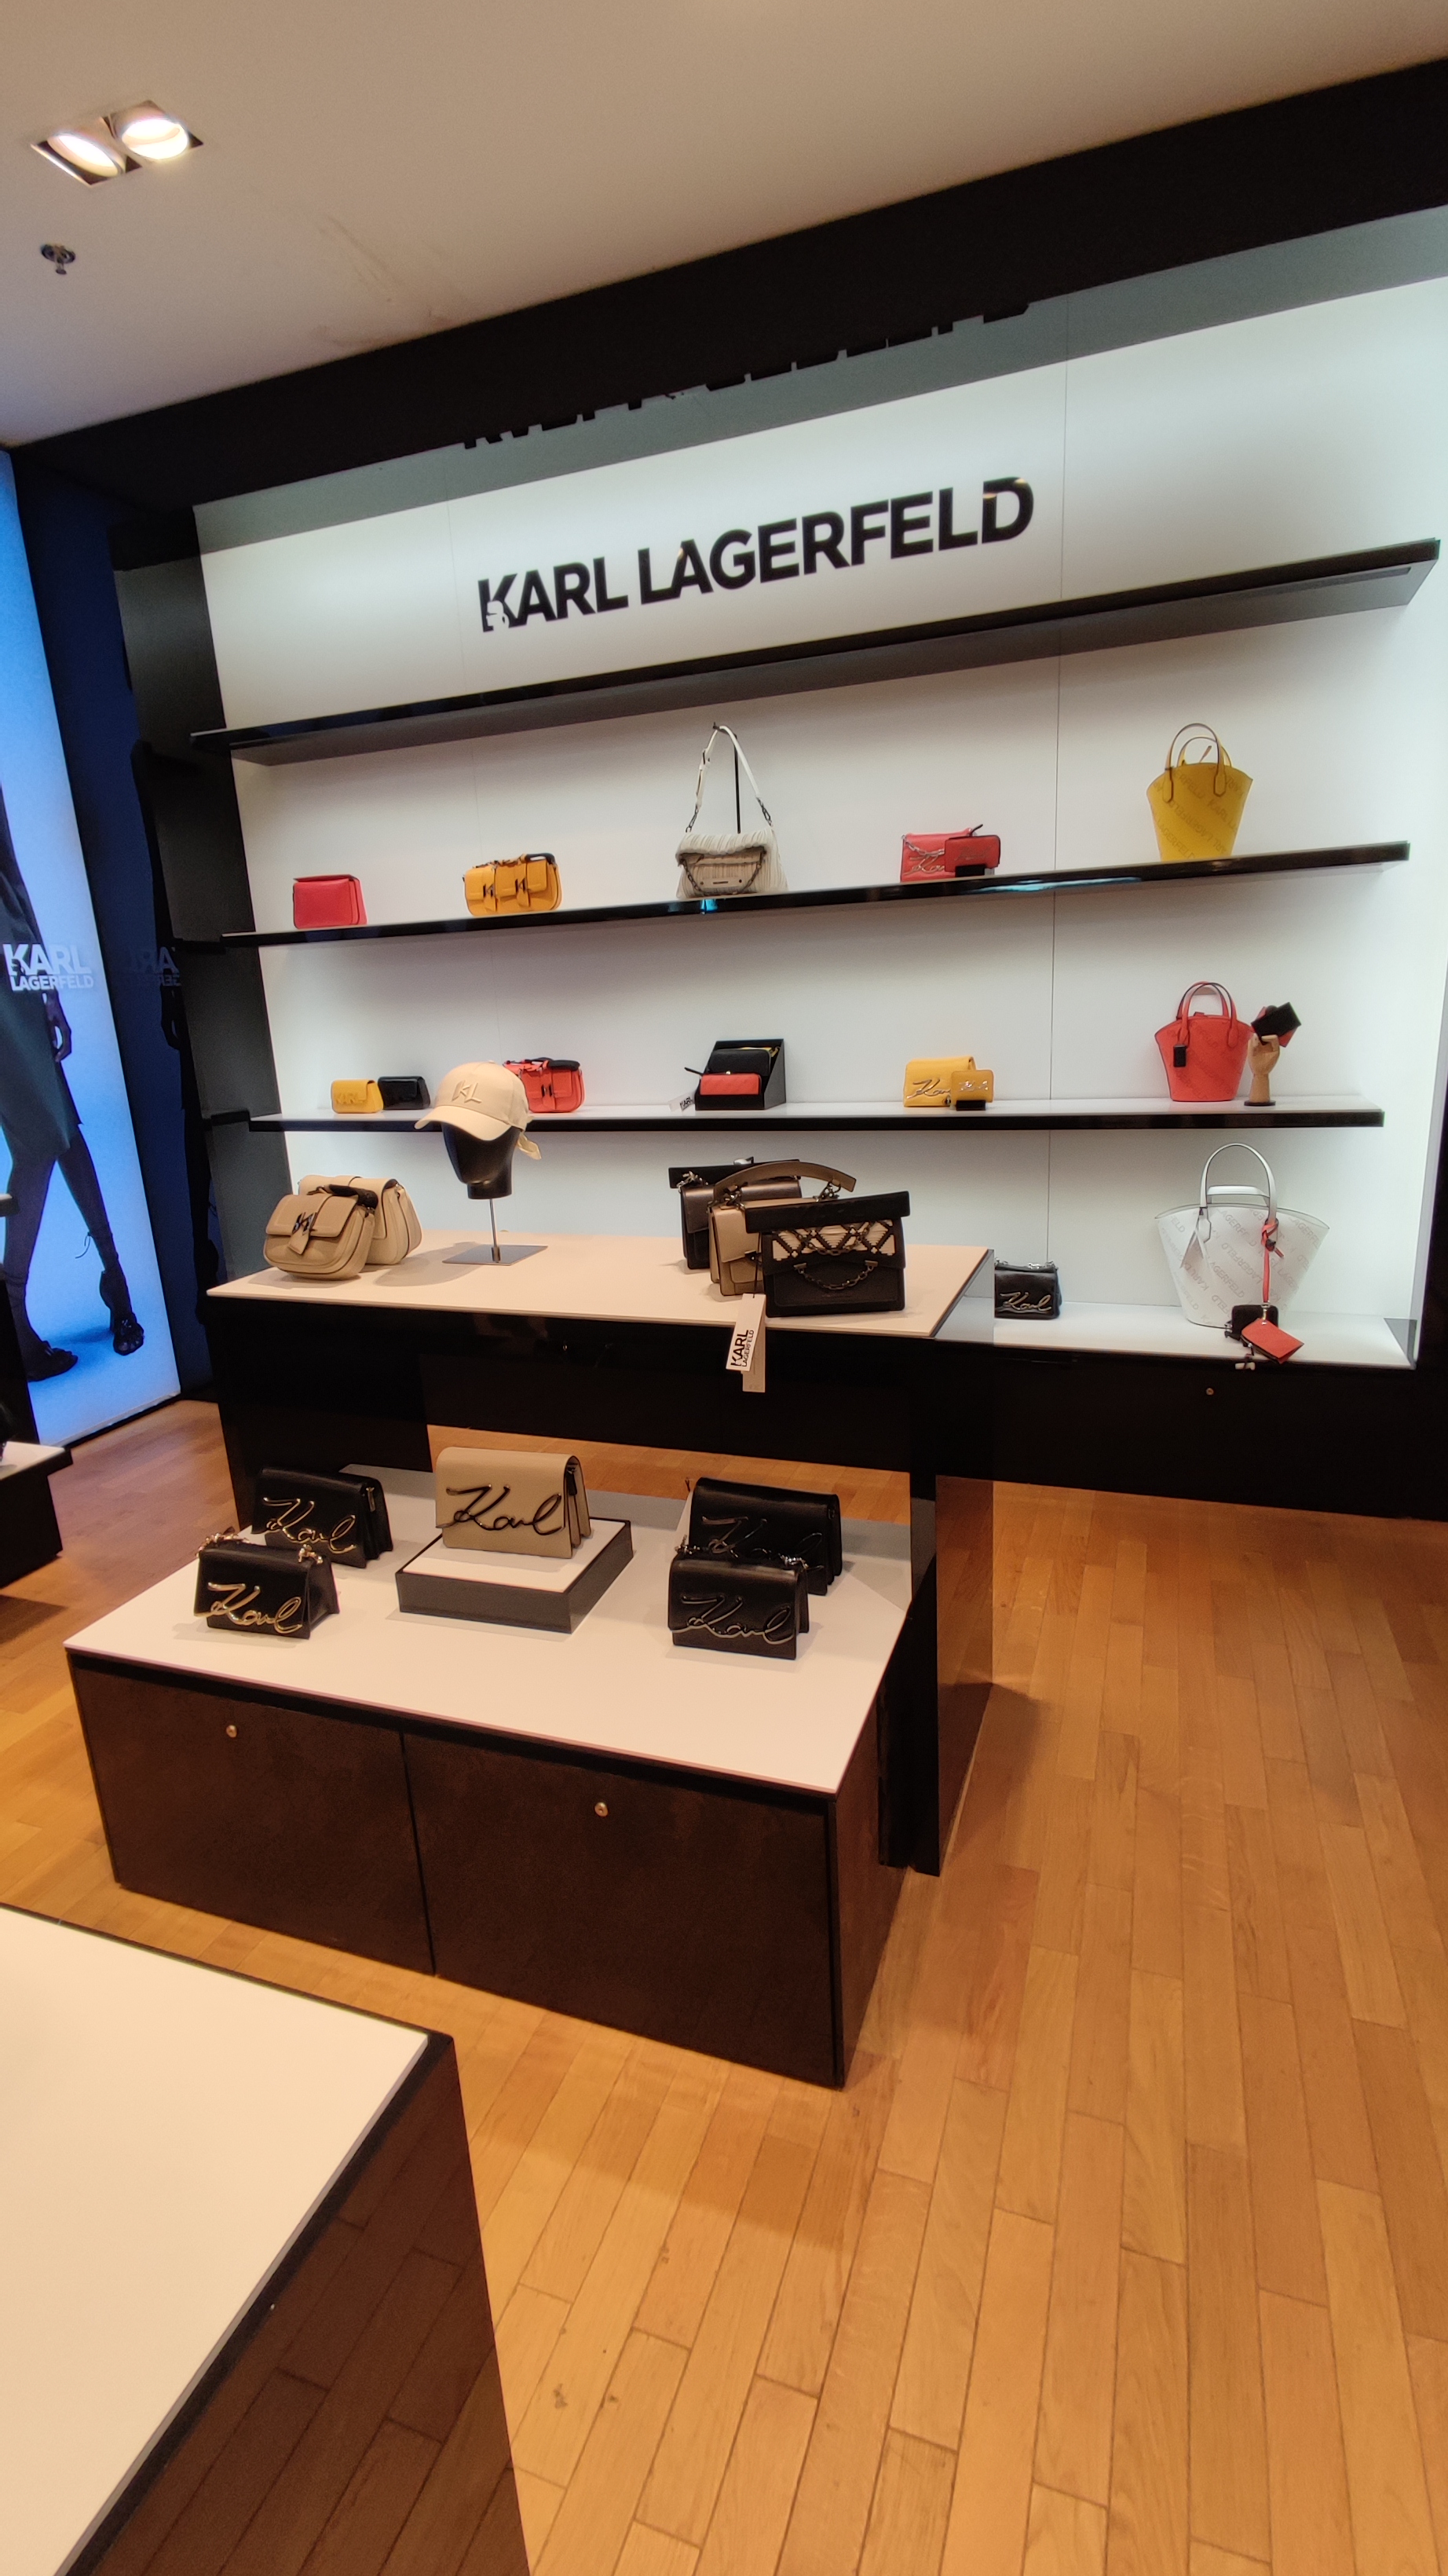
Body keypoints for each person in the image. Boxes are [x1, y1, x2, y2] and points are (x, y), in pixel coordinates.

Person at [0, 788, 142, 1379]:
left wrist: (46, 984)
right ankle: (12, 1312)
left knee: (61, 1127)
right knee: (46, 1135)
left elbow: (12, 876)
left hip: (9, 965)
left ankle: (115, 1280)